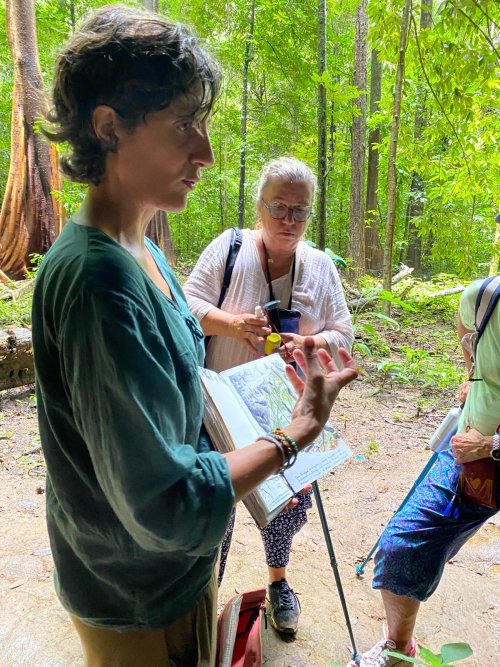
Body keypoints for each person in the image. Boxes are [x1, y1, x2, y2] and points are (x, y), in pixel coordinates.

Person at [32, 7, 358, 667]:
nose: (206, 153)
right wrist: (295, 432)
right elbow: (168, 505)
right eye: (185, 124)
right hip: (137, 597)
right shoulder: (99, 282)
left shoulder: (140, 249)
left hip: (167, 576)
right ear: (109, 127)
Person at [184, 156, 354, 635]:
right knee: (216, 505)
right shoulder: (230, 248)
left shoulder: (320, 266)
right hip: (218, 411)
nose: (288, 220)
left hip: (286, 410)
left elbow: (344, 332)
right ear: (259, 206)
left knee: (284, 508)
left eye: (300, 210)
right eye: (278, 206)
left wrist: (311, 343)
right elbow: (186, 305)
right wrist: (231, 324)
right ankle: (205, 595)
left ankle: (278, 581)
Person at [349, 278, 500, 667]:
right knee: (401, 545)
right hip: (473, 465)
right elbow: (468, 324)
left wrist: (492, 444)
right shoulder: (485, 296)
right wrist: (473, 373)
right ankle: (400, 647)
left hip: (484, 452)